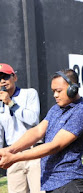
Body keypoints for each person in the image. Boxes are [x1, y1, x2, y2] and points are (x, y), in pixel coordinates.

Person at [0, 69, 83, 193]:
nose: (55, 95)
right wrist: (9, 150)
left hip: (68, 182)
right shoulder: (56, 109)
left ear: (73, 89)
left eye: (59, 91)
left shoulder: (81, 112)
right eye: (53, 91)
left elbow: (55, 145)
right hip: (50, 182)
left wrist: (15, 157)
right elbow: (37, 131)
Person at [0, 63, 43, 193]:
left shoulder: (30, 93)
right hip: (12, 155)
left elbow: (33, 119)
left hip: (33, 152)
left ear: (14, 77)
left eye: (5, 77)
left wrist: (10, 103)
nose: (2, 81)